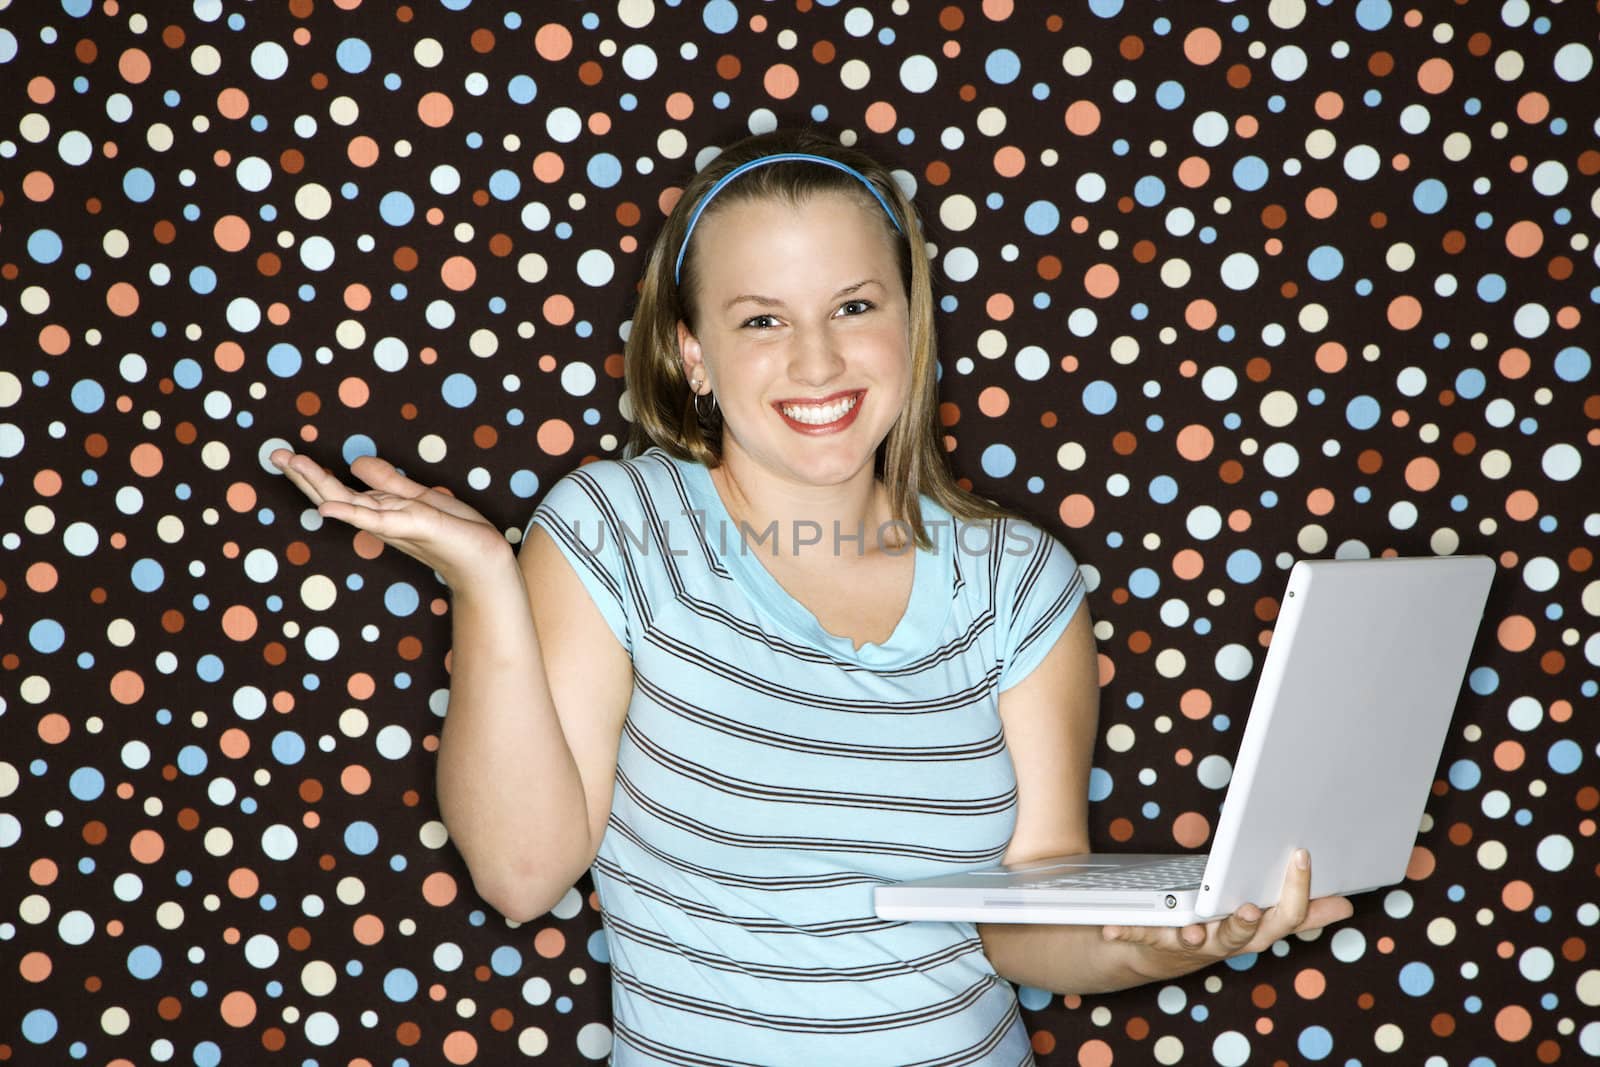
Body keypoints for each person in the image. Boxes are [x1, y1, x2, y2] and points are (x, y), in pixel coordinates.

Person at [271, 129, 1353, 1066]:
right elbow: (520, 869)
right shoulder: (616, 530)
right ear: (691, 354)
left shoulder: (1017, 580)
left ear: (908, 321)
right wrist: (487, 583)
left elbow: (1022, 925)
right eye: (760, 321)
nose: (818, 360)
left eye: (852, 304)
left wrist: (1152, 943)